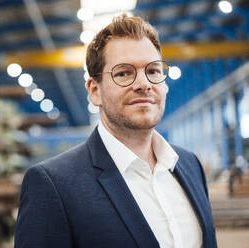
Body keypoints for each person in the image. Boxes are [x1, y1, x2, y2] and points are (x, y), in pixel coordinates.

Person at [14, 14, 217, 248]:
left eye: (153, 71)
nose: (144, 83)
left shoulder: (190, 166)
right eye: (124, 73)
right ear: (94, 90)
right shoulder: (53, 185)